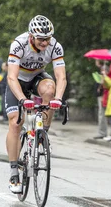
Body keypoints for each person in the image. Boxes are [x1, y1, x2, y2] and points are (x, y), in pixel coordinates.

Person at [5, 15, 67, 193]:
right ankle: (14, 172)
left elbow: (61, 76)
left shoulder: (55, 46)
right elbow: (11, 77)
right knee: (16, 121)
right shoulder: (19, 44)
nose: (45, 43)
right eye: (41, 39)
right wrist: (23, 100)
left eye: (48, 38)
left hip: (37, 77)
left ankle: (42, 134)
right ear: (31, 36)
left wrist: (58, 99)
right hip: (17, 82)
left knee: (49, 89)